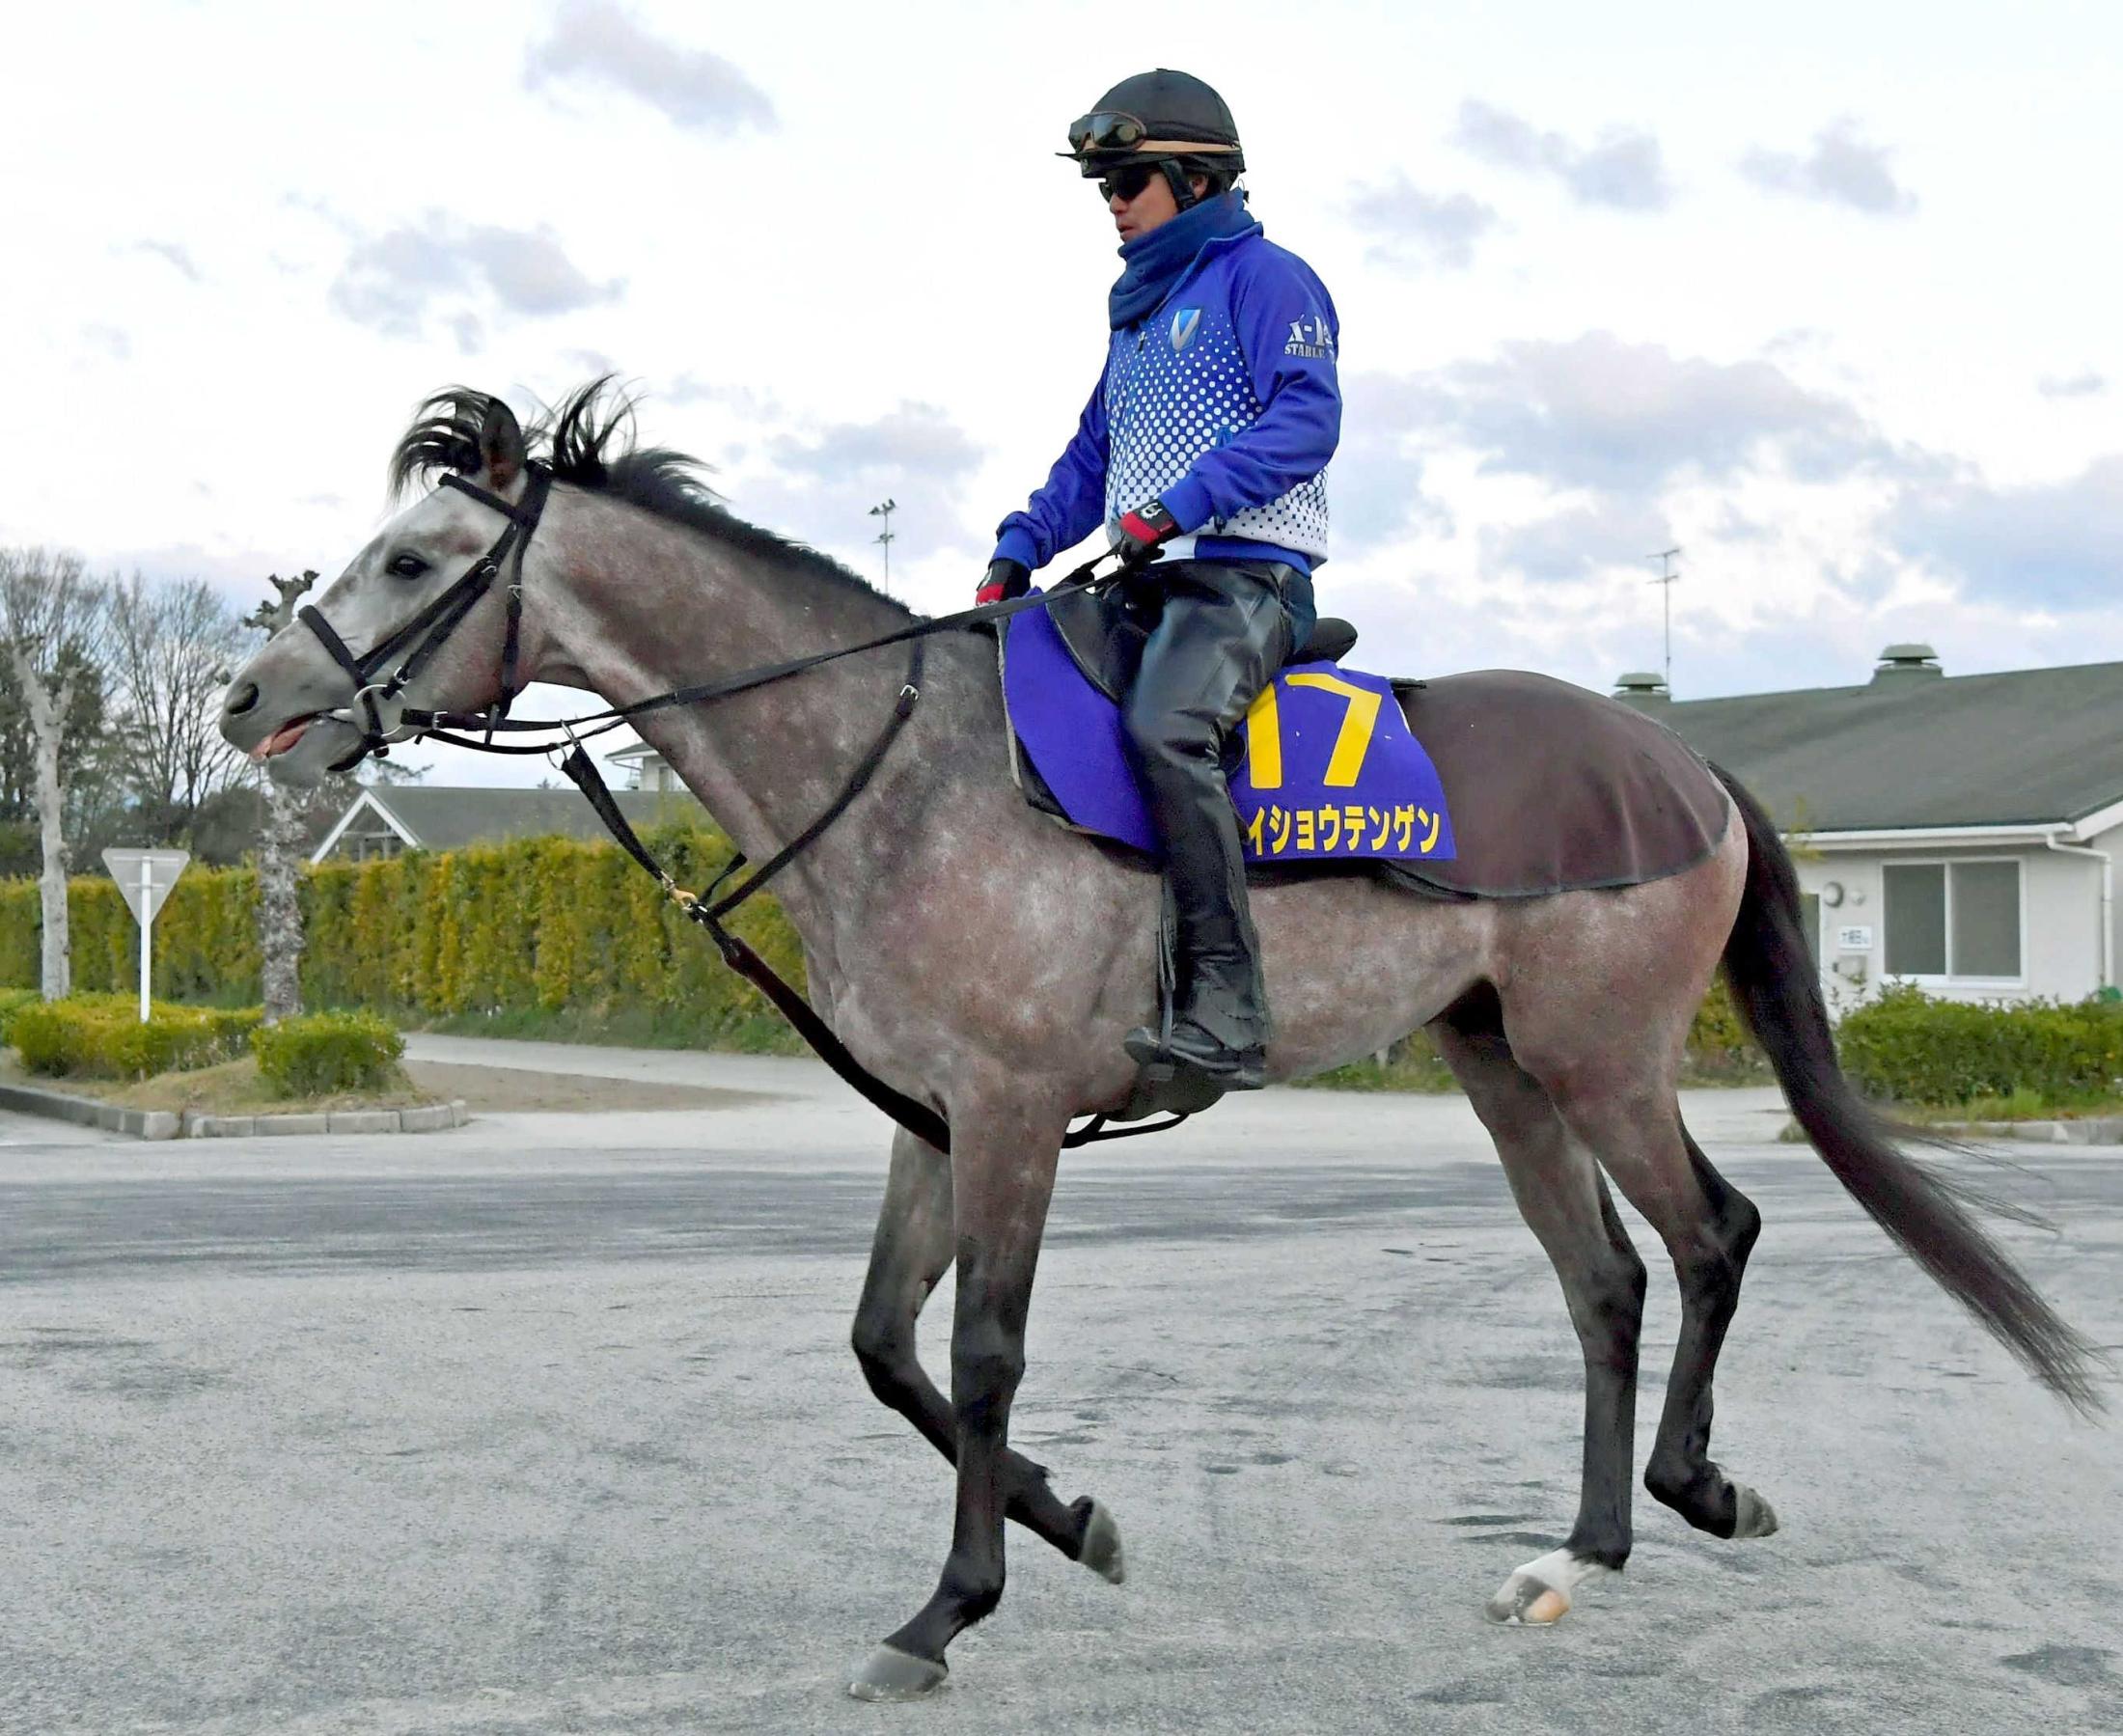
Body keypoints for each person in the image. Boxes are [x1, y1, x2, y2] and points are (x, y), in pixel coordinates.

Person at [979, 68, 1341, 1093]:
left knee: (1162, 731)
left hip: (1243, 582)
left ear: (1195, 178)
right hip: (1143, 582)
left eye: (1128, 179)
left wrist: (1178, 506)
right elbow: (1093, 452)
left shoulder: (1266, 278)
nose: (1112, 202)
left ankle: (1228, 1004)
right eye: (1102, 186)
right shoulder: (1138, 313)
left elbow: (1306, 420)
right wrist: (1021, 543)